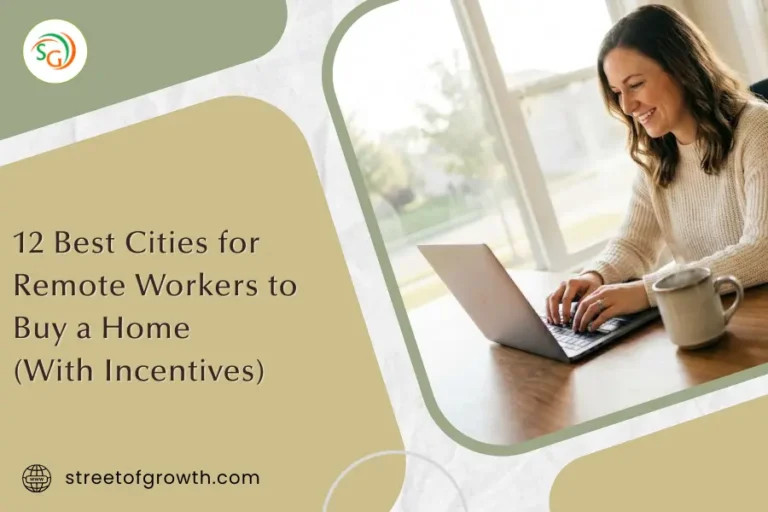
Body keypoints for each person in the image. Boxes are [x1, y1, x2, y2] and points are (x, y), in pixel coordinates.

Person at [544, 4, 768, 333]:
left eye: (635, 85)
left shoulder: (758, 129)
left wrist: (645, 292)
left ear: (681, 68)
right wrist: (595, 276)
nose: (627, 107)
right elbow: (634, 244)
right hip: (710, 322)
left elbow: (762, 250)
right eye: (618, 92)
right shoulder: (658, 154)